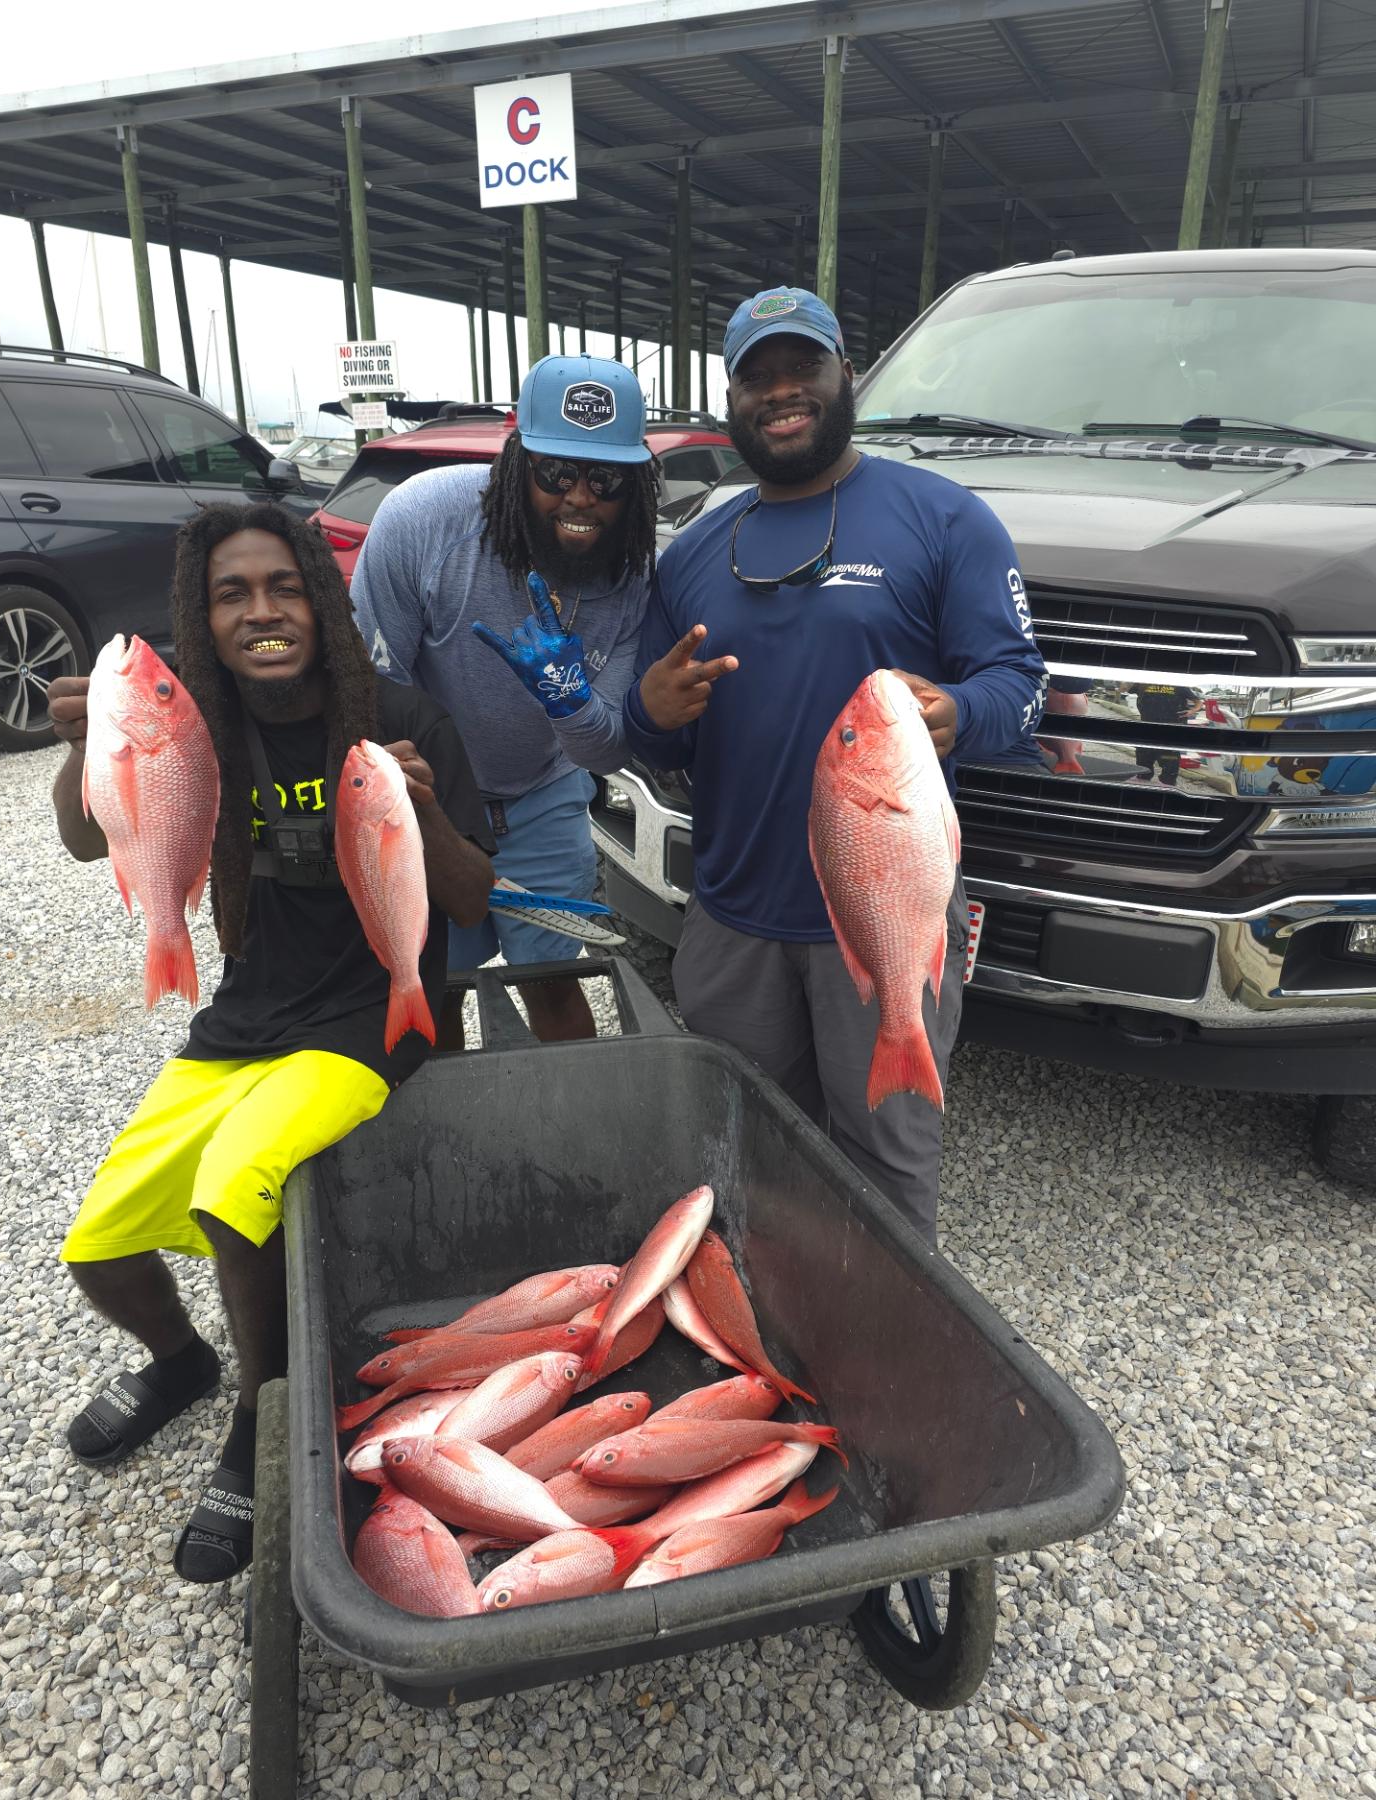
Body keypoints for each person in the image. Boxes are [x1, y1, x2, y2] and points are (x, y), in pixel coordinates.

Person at [50, 504, 494, 1582]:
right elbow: (80, 837)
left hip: (368, 1016)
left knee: (233, 1183)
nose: (262, 611)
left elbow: (477, 894)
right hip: (246, 1016)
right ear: (203, 621)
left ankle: (263, 1416)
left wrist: (423, 816)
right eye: (232, 594)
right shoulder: (191, 724)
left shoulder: (402, 718)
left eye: (284, 588)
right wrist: (85, 751)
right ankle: (185, 1361)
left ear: (323, 602)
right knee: (97, 1243)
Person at [623, 287, 1048, 1245]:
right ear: (729, 399)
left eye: (802, 368)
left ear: (845, 376)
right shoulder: (693, 551)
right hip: (731, 920)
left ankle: (890, 1363)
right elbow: (655, 737)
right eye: (756, 377)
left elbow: (1021, 685)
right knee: (738, 1156)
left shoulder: (944, 519)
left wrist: (962, 713)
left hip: (889, 915)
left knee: (887, 1167)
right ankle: (762, 1349)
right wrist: (646, 714)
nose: (782, 393)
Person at [352, 354, 658, 1048]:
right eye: (556, 472)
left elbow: (607, 747)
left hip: (543, 794)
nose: (580, 497)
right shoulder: (423, 523)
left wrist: (566, 697)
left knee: (554, 983)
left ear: (635, 484)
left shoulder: (635, 575)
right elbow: (369, 695)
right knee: (436, 985)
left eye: (605, 477)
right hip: (429, 796)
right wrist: (428, 810)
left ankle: (573, 1132)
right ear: (517, 458)